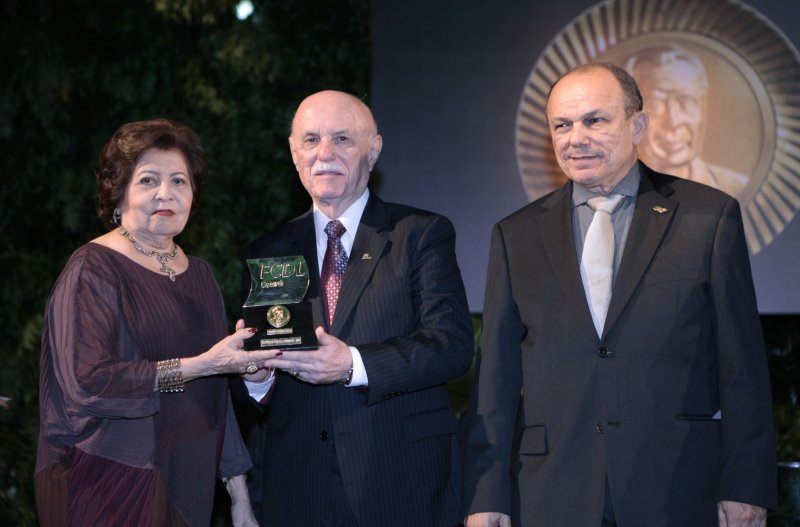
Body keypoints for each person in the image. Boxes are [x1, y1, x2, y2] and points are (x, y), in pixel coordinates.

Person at [461, 63, 776, 526]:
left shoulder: (708, 219)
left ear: (638, 125)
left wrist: (746, 485)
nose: (576, 137)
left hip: (676, 486)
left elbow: (742, 368)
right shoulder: (516, 235)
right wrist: (486, 497)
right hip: (551, 491)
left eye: (595, 120)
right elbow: (495, 384)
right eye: (562, 125)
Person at [237, 90, 474, 526]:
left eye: (342, 139)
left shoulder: (420, 234)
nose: (324, 153)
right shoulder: (268, 251)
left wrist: (353, 364)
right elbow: (255, 386)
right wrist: (256, 378)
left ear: (374, 149)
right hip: (299, 490)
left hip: (401, 484)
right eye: (310, 140)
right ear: (293, 152)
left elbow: (453, 345)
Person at [35, 119, 279, 526]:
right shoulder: (92, 267)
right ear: (119, 193)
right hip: (105, 481)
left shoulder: (199, 274)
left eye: (179, 181)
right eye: (148, 180)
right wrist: (203, 365)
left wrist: (239, 497)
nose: (166, 193)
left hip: (188, 479)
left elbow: (216, 396)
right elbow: (88, 382)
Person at [625, 44, 749, 197]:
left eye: (686, 103)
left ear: (703, 110)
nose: (673, 121)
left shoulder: (735, 190)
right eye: (656, 104)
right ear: (633, 118)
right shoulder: (609, 192)